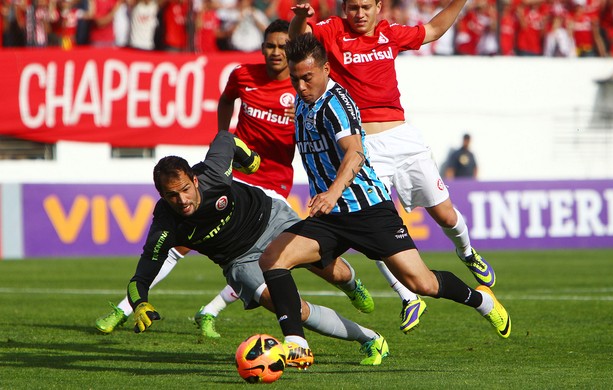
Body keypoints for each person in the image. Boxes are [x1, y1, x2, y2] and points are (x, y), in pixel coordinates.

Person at [95, 19, 375, 338]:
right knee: (179, 246)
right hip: (239, 178)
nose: (275, 52)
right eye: (269, 45)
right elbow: (225, 121)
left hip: (273, 187)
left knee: (328, 269)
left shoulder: (303, 87)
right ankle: (129, 307)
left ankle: (351, 285)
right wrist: (243, 156)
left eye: (283, 46)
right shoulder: (243, 76)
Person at [259, 33, 511, 368]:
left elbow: (356, 153)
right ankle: (297, 344)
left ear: (326, 70)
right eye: (295, 79)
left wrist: (333, 193)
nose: (302, 85)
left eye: (307, 77)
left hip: (368, 211)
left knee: (422, 283)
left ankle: (481, 301)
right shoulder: (303, 101)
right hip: (331, 218)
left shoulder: (337, 104)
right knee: (272, 259)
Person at [289, 0, 497, 333]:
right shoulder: (331, 31)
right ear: (344, 8)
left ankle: (468, 252)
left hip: (402, 137)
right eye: (353, 7)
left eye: (366, 6)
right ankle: (407, 296)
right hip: (366, 146)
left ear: (378, 7)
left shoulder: (390, 33)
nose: (359, 13)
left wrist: (459, 2)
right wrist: (299, 18)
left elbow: (434, 30)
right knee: (373, 218)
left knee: (444, 215)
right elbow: (298, 43)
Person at [126, 131, 390, 367]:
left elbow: (225, 139)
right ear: (161, 195)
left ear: (194, 180)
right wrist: (140, 303)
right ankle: (370, 338)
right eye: (172, 195)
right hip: (239, 260)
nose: (182, 200)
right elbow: (143, 273)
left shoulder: (214, 174)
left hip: (271, 220)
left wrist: (250, 158)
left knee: (338, 273)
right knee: (291, 308)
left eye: (185, 189)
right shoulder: (165, 223)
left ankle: (353, 287)